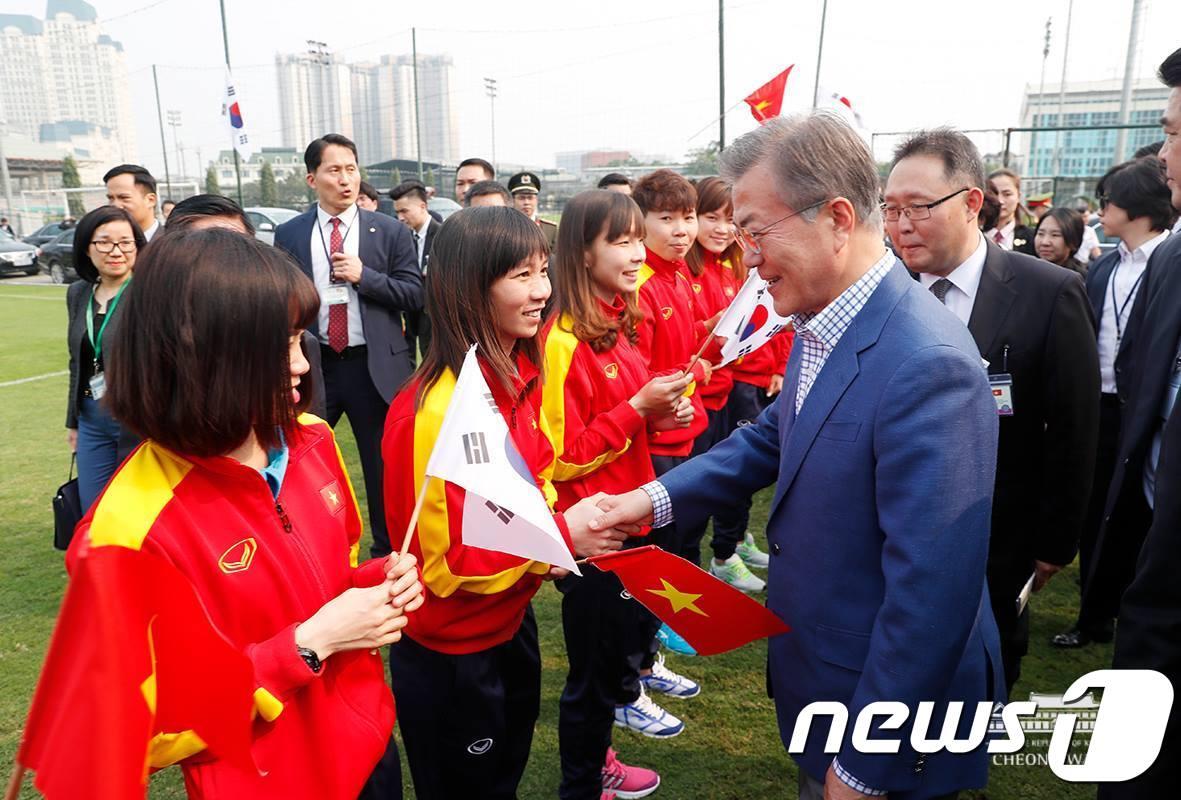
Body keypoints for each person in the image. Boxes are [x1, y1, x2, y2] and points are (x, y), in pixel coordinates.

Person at [592, 112, 1003, 800]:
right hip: (830, 679)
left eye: (756, 230)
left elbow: (931, 596)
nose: (744, 255)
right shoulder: (829, 317)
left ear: (837, 218)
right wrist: (644, 502)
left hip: (883, 722)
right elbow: (773, 435)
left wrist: (865, 766)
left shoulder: (926, 364)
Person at [65, 228, 424, 799]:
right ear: (200, 357)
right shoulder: (126, 530)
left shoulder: (310, 440)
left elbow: (326, 575)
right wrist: (304, 648)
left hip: (369, 747)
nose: (301, 365)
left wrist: (376, 584)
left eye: (297, 341)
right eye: (279, 346)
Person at [381, 206, 629, 800]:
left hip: (507, 628)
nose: (543, 290)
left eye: (543, 271)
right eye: (521, 276)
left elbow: (537, 474)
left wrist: (566, 523)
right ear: (469, 288)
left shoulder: (516, 375)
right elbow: (445, 567)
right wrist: (561, 540)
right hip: (451, 653)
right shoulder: (434, 413)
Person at [886, 128, 1099, 693]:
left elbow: (1075, 430)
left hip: (1000, 527)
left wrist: (1056, 542)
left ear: (972, 203)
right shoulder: (883, 288)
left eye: (917, 208)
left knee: (991, 650)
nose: (900, 225)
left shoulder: (1047, 291)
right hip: (895, 521)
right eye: (889, 209)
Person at [542, 190, 686, 800]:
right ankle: (582, 784)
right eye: (621, 241)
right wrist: (636, 409)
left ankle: (601, 759)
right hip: (595, 535)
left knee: (612, 662)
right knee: (591, 679)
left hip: (630, 520)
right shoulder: (561, 341)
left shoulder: (613, 322)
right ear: (581, 252)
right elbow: (559, 456)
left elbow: (623, 421)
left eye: (636, 238)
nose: (637, 252)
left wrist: (654, 412)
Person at [274, 133, 423, 560]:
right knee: (300, 461)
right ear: (311, 178)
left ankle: (387, 556)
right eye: (334, 170)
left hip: (371, 368)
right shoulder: (291, 233)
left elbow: (414, 294)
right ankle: (303, 551)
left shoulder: (389, 231)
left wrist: (366, 277)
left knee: (381, 470)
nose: (346, 179)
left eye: (352, 169)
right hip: (313, 364)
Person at [1097, 46, 1181, 799]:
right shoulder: (1170, 262)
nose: (1164, 154)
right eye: (1166, 130)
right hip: (1154, 570)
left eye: (1175, 134)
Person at [1054, 156, 1174, 649]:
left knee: (1139, 517)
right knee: (1094, 514)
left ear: (1136, 205)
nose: (1100, 210)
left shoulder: (1170, 261)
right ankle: (1094, 615)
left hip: (1147, 414)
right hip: (1099, 408)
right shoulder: (1103, 267)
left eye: (1108, 200)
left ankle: (1135, 610)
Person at [620, 168, 709, 681]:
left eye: (688, 217)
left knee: (671, 546)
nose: (682, 230)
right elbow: (646, 370)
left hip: (683, 432)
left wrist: (707, 333)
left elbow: (682, 346)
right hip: (655, 442)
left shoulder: (679, 274)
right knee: (651, 554)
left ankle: (651, 646)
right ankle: (640, 662)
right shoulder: (644, 283)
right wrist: (697, 371)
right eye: (667, 218)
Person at [678, 176, 771, 592]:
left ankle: (728, 547)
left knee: (736, 476)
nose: (720, 228)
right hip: (697, 401)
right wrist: (710, 331)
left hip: (728, 390)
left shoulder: (736, 263)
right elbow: (688, 342)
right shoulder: (682, 271)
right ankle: (711, 559)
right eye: (709, 217)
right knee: (697, 491)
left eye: (729, 219)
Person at [163, 193, 327, 421]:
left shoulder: (300, 344)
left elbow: (305, 423)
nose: (299, 365)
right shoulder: (153, 347)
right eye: (211, 249)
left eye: (239, 247)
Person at [65, 206, 145, 511]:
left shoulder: (148, 292)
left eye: (126, 242)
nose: (116, 251)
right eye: (104, 242)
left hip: (137, 419)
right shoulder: (78, 293)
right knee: (95, 510)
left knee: (136, 510)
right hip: (91, 417)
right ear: (87, 247)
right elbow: (77, 362)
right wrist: (73, 422)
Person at [390, 179, 442, 364]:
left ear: (422, 206)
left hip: (435, 316)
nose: (400, 218)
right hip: (411, 312)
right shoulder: (403, 238)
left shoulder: (443, 236)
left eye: (404, 211)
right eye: (397, 212)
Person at [984, 168, 1036, 255]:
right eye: (994, 194)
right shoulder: (972, 235)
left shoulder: (1032, 238)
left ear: (1018, 196)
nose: (1000, 201)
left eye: (1007, 194)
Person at [103, 164, 160, 241]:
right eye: (111, 198)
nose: (115, 205)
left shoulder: (175, 245)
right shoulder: (103, 244)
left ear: (150, 200)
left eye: (124, 197)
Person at [508, 171, 558, 250]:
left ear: (536, 200)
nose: (526, 202)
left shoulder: (550, 229)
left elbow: (555, 259)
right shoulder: (504, 228)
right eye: (521, 198)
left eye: (530, 198)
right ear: (513, 200)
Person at [1033, 207, 1087, 276]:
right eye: (1041, 234)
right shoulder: (1025, 273)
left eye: (1055, 235)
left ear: (1073, 241)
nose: (1045, 242)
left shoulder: (1080, 280)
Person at [1071, 196, 1104, 264]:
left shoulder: (1090, 231)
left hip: (1083, 264)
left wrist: (1101, 262)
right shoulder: (1070, 229)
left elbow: (1095, 249)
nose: (1086, 219)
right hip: (1071, 263)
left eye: (1087, 216)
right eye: (1083, 216)